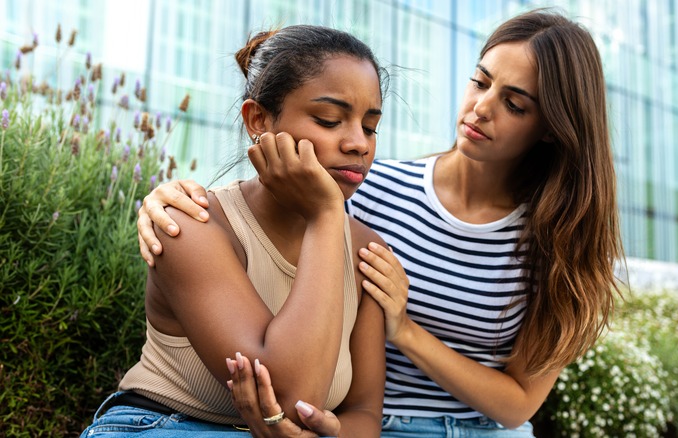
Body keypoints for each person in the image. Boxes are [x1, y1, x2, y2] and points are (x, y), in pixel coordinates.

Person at [137, 8, 624, 437]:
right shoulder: (360, 188)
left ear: (553, 128)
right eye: (480, 81)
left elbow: (518, 402)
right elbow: (271, 207)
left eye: (515, 104)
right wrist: (163, 197)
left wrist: (405, 328)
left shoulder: (562, 243)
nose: (480, 107)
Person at [82, 24, 390, 437]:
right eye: (329, 120)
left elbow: (365, 416)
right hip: (165, 425)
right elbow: (287, 396)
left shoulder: (365, 250)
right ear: (258, 119)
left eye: (370, 127)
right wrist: (326, 214)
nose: (358, 143)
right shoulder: (190, 223)